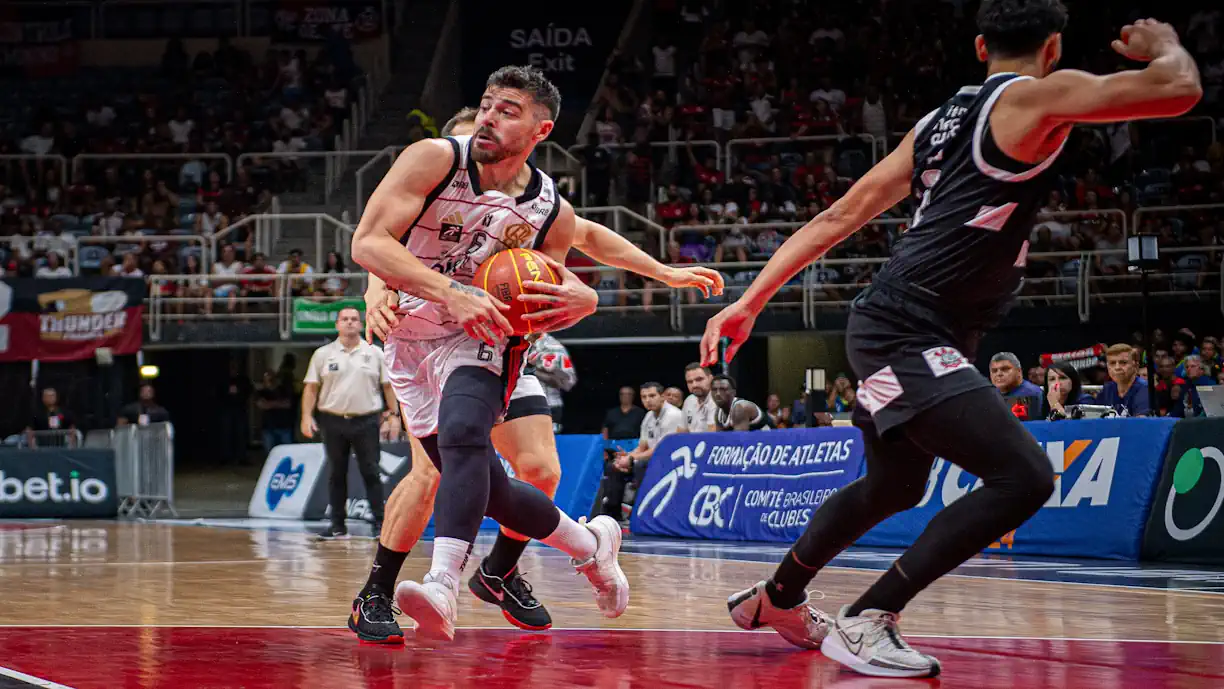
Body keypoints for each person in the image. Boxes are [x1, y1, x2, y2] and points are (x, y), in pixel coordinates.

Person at [701, 4, 1200, 677]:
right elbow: (1178, 90)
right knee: (1024, 475)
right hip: (908, 331)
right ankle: (868, 617)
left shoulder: (938, 123)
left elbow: (841, 213)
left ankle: (779, 597)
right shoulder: (1038, 97)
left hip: (892, 324)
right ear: (1052, 47)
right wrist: (1164, 42)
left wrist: (750, 300)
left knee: (895, 483)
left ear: (979, 46)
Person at [348, 104, 721, 640]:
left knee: (541, 470)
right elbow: (382, 249)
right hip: (428, 333)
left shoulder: (528, 203)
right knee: (439, 472)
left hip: (494, 339)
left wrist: (660, 272)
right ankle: (377, 592)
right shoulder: (432, 181)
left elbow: (588, 235)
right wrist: (377, 288)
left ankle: (496, 571)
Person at [301, 307, 399, 539]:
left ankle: (379, 524)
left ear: (361, 324)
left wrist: (393, 415)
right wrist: (306, 416)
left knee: (371, 471)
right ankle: (337, 525)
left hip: (366, 421)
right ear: (337, 324)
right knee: (336, 473)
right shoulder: (323, 354)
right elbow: (311, 387)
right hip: (332, 421)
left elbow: (388, 386)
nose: (350, 323)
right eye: (344, 319)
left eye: (354, 319)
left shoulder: (375, 353)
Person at [602, 382, 684, 519]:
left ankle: (642, 513)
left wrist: (631, 459)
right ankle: (613, 516)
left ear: (662, 397)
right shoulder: (648, 417)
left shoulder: (673, 415)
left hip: (671, 461)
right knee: (613, 467)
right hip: (651, 459)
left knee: (640, 465)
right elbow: (642, 446)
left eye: (652, 395)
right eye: (644, 397)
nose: (648, 400)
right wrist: (626, 457)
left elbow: (660, 448)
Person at [1096, 343, 1151, 417]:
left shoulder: (1145, 389)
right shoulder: (1107, 389)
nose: (1117, 367)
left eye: (1123, 363)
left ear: (1136, 366)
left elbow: (1140, 424)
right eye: (1112, 363)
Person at [989, 352, 1044, 419]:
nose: (999, 374)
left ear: (1019, 371)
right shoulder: (989, 394)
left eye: (1005, 369)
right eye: (994, 371)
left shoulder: (1032, 393)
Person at [680, 363, 718, 433]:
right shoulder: (689, 400)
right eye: (690, 382)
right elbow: (681, 432)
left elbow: (713, 437)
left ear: (711, 379)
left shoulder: (717, 399)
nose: (694, 385)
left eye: (699, 379)